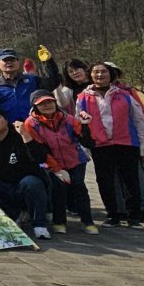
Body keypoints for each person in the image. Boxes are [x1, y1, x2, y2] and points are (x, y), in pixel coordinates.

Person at [76, 62, 144, 228]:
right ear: (90, 75)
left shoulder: (124, 94)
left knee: (131, 180)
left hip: (126, 142)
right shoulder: (83, 97)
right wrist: (84, 145)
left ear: (110, 74)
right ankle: (113, 215)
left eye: (103, 72)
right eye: (96, 72)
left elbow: (138, 118)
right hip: (100, 145)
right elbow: (78, 122)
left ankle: (134, 216)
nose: (100, 75)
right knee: (105, 181)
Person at [21, 90, 97, 234]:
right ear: (35, 106)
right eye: (42, 104)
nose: (47, 105)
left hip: (76, 160)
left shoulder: (69, 119)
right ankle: (59, 221)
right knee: (58, 190)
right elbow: (39, 150)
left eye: (49, 101)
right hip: (51, 162)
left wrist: (85, 125)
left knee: (79, 187)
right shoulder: (31, 124)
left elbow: (87, 142)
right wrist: (57, 169)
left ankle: (87, 221)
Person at [0, 107, 53, 240]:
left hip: (26, 184)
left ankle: (40, 225)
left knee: (32, 182)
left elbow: (40, 158)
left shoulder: (20, 136)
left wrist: (26, 136)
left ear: (6, 120)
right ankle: (14, 215)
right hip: (5, 185)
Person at [0, 47, 57, 124]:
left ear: (18, 63)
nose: (9, 62)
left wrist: (48, 62)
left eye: (12, 60)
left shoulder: (32, 80)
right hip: (8, 128)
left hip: (34, 125)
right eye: (5, 60)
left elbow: (52, 83)